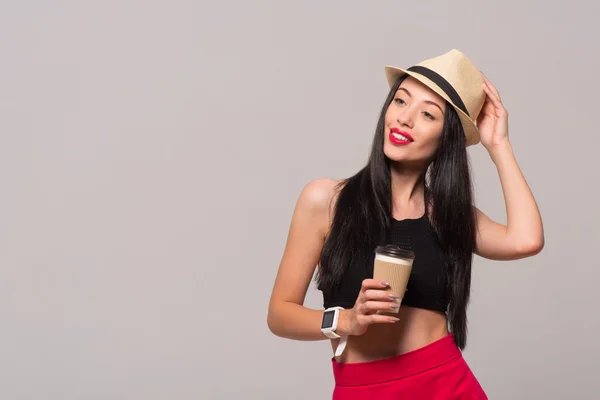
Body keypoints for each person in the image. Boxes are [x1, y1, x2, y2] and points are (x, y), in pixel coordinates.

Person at [267, 49, 544, 399]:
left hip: (446, 383)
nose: (405, 119)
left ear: (446, 139)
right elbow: (279, 314)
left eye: (428, 114)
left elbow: (526, 239)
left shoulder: (447, 214)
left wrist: (498, 144)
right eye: (400, 101)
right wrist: (346, 320)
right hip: (363, 388)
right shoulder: (326, 200)